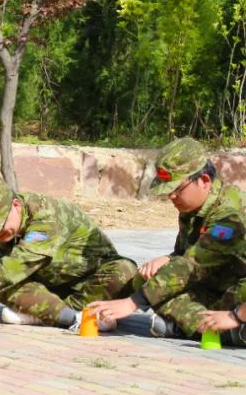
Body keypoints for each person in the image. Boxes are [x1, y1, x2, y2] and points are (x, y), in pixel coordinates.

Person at [0, 176, 139, 333]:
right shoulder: (7, 225)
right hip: (47, 286)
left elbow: (15, 266)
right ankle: (74, 317)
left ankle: (47, 313)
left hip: (90, 284)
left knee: (125, 271)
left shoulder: (47, 216)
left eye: (0, 226)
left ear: (16, 205)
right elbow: (8, 269)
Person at [89, 138, 246, 344]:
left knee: (158, 290)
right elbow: (186, 256)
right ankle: (209, 328)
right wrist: (169, 259)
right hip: (212, 285)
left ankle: (227, 329)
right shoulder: (193, 208)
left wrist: (132, 303)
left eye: (177, 190)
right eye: (168, 191)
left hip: (238, 293)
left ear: (204, 181)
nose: (171, 197)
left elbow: (191, 265)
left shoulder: (229, 217)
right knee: (155, 283)